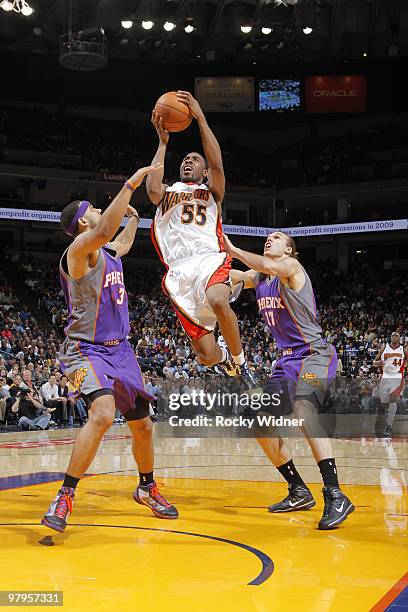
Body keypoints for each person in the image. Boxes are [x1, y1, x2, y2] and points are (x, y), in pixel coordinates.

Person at [42, 162, 178, 534]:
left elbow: (120, 243)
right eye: (95, 210)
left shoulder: (106, 252)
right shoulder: (78, 250)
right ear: (83, 223)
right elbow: (106, 230)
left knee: (144, 427)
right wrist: (131, 182)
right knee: (102, 413)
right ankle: (65, 495)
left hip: (121, 352)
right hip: (85, 350)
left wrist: (134, 218)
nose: (101, 212)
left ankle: (147, 488)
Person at [224, 230, 355, 530]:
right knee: (255, 418)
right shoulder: (259, 278)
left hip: (314, 354)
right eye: (268, 237)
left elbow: (265, 267)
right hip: (286, 361)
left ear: (290, 250)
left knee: (304, 409)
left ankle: (335, 494)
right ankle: (298, 489)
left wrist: (232, 248)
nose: (270, 239)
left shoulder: (291, 269)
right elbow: (232, 276)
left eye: (278, 237)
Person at [147, 91, 257, 389]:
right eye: (185, 159)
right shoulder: (168, 193)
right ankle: (223, 359)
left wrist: (200, 118)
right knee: (204, 355)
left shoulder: (212, 192)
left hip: (210, 257)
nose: (188, 162)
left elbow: (218, 165)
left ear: (204, 171)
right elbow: (151, 189)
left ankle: (241, 363)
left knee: (218, 299)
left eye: (195, 160)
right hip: (178, 272)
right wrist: (162, 143)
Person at [373, 332, 408, 437]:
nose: (394, 337)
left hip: (397, 376)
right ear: (390, 338)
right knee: (385, 403)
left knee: (393, 398)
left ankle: (388, 426)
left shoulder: (404, 350)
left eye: (396, 335)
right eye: (392, 335)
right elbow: (374, 362)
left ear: (399, 339)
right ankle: (388, 418)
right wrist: (377, 363)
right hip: (385, 377)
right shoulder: (384, 348)